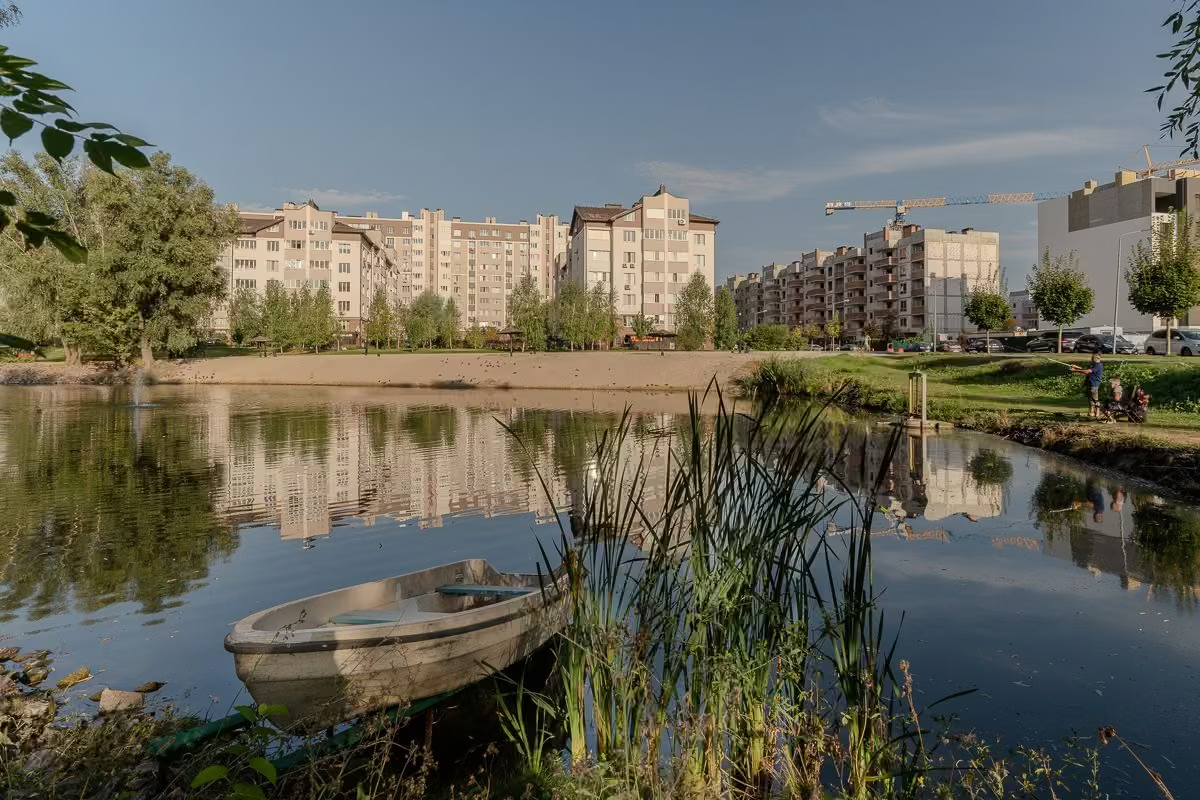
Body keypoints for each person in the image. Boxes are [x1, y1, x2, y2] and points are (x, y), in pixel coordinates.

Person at [1069, 353, 1104, 418]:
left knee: (1095, 399)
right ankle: (1092, 412)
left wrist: (1075, 370)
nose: (1091, 359)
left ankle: (1098, 413)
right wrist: (1076, 367)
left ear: (1096, 358)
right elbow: (1084, 369)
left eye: (1092, 358)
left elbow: (1087, 371)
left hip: (1094, 384)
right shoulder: (1093, 364)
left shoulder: (1099, 365)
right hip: (1089, 383)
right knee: (1090, 399)